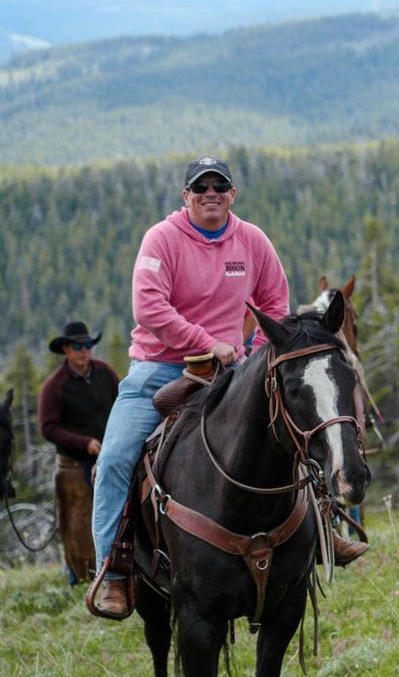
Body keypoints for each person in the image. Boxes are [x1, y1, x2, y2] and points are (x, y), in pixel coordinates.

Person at [90, 156, 367, 618]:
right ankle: (115, 571)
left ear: (232, 195)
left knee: (290, 431)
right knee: (116, 459)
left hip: (234, 369)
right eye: (201, 187)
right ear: (186, 197)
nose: (210, 193)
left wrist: (257, 353)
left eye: (220, 185)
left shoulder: (252, 240)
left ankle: (321, 529)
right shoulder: (162, 239)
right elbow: (149, 308)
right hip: (160, 368)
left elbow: (274, 303)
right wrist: (207, 343)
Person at [38, 321, 119, 584]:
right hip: (73, 464)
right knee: (77, 523)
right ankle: (81, 577)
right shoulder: (54, 386)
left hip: (109, 457)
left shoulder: (105, 373)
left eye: (88, 346)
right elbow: (48, 428)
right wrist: (83, 443)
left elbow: (122, 404)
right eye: (78, 346)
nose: (84, 351)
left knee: (117, 513)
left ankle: (115, 569)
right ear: (66, 349)